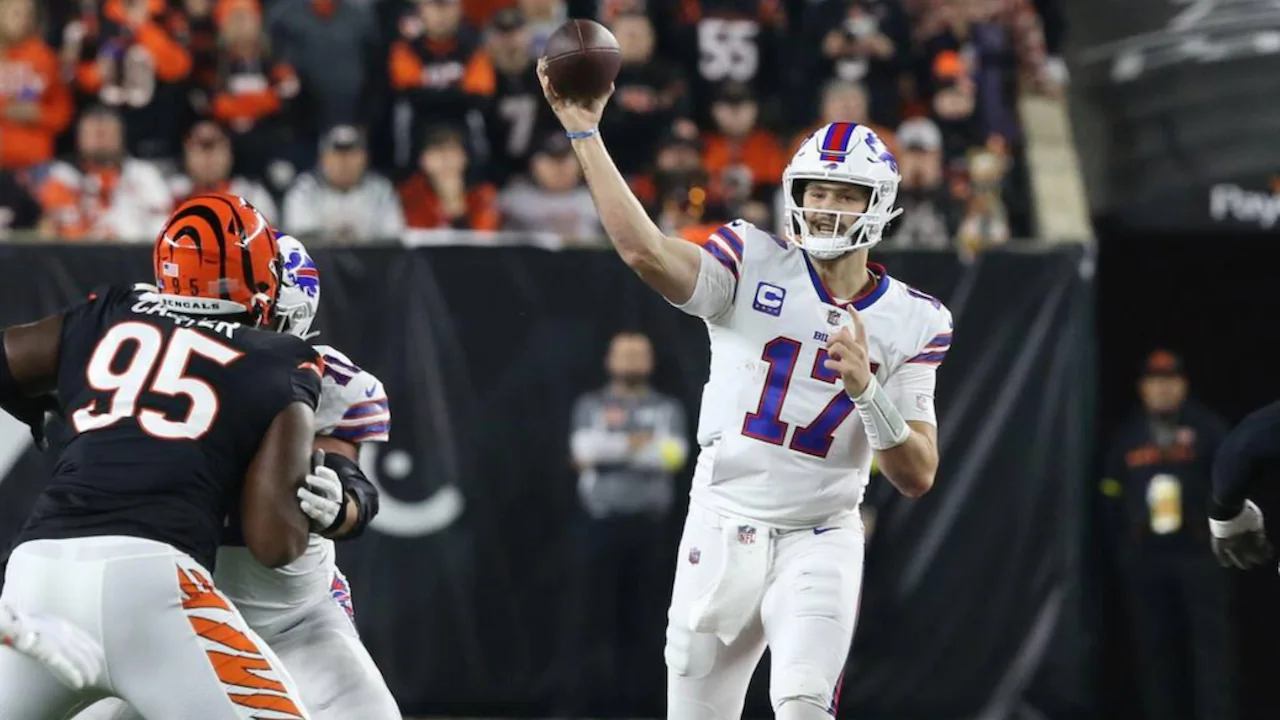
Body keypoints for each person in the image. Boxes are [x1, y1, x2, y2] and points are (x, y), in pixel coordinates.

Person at [537, 63, 952, 720]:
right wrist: (586, 134)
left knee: (802, 701)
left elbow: (917, 474)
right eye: (816, 189)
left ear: (877, 204)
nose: (825, 205)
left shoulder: (914, 318)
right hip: (722, 523)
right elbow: (646, 253)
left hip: (821, 534)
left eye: (844, 194)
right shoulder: (749, 258)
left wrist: (868, 392)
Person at [0, 193, 323, 718]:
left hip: (36, 577)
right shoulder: (282, 357)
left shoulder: (113, 310)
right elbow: (273, 540)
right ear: (265, 278)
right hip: (155, 583)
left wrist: (31, 397)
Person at [74, 235, 401, 720]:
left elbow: (348, 483)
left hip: (291, 618)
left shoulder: (325, 379)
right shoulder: (159, 361)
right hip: (169, 615)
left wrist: (341, 504)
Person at [1099, 349, 1234, 720]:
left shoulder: (1207, 430)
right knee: (1155, 651)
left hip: (1198, 555)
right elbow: (1109, 494)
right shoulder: (1128, 437)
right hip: (1146, 558)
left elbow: (1234, 483)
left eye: (1170, 382)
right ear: (1143, 389)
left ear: (1183, 386)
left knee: (1211, 650)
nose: (1162, 390)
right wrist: (1124, 547)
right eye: (1155, 382)